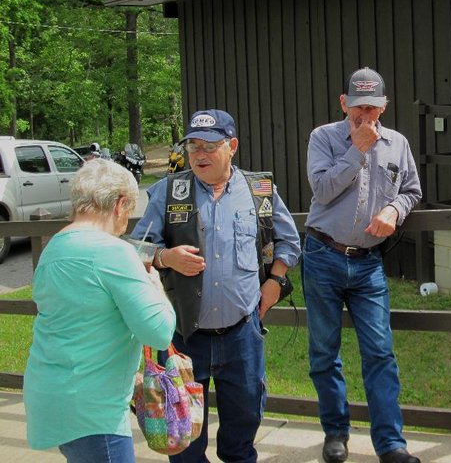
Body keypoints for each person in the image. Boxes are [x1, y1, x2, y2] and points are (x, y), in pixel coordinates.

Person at [132, 109, 301, 463]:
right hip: (182, 338)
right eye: (193, 146)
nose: (199, 154)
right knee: (184, 445)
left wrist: (274, 281)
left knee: (242, 438)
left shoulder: (259, 190)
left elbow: (289, 241)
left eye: (209, 145)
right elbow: (136, 249)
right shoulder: (169, 191)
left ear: (232, 146)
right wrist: (165, 257)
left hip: (242, 335)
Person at [303, 67, 423, 463]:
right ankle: (335, 432)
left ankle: (391, 444)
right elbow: (321, 189)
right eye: (357, 108)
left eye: (372, 108)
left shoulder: (398, 144)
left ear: (384, 106)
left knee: (380, 352)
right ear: (343, 103)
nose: (364, 116)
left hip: (369, 263)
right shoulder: (324, 138)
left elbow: (411, 190)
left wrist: (394, 208)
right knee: (324, 351)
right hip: (323, 256)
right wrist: (357, 149)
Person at [24, 159, 175, 463]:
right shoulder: (114, 251)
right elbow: (159, 333)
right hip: (93, 409)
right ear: (120, 204)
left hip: (50, 394)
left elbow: (81, 319)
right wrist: (156, 287)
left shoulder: (54, 247)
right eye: (129, 209)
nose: (126, 221)